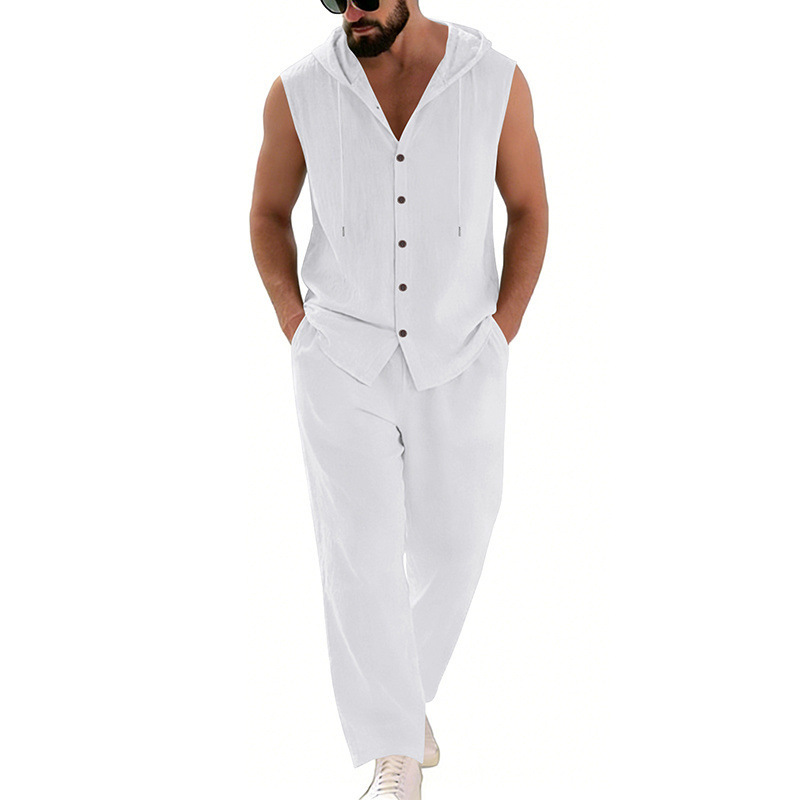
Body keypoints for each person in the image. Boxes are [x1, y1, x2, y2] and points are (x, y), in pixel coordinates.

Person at [249, 0, 548, 796]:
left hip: (461, 355)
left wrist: (502, 330)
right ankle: (396, 758)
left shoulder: (495, 79)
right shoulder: (298, 89)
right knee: (361, 560)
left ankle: (399, 706)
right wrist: (296, 325)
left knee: (456, 546)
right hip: (341, 360)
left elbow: (528, 207)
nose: (350, 9)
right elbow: (268, 213)